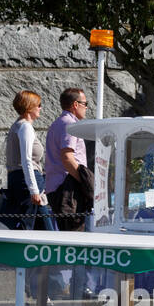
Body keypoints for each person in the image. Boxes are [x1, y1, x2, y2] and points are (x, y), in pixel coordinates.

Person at [3, 90, 56, 231]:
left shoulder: (16, 126)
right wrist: (33, 189)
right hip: (28, 182)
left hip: (17, 180)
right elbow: (26, 160)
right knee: (33, 227)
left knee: (39, 226)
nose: (40, 108)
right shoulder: (25, 127)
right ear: (29, 106)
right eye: (39, 105)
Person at [44, 87, 93, 232]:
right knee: (73, 233)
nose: (87, 107)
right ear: (75, 104)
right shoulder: (69, 124)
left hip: (60, 186)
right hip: (67, 187)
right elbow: (67, 158)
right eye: (85, 103)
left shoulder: (58, 123)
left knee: (68, 231)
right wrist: (84, 181)